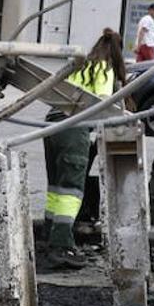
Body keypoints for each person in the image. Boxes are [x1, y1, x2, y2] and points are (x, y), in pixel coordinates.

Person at [41, 28, 127, 269]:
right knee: (71, 190)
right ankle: (62, 246)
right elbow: (101, 104)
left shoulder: (81, 65)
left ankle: (48, 235)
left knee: (55, 187)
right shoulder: (104, 69)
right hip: (74, 127)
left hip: (51, 125)